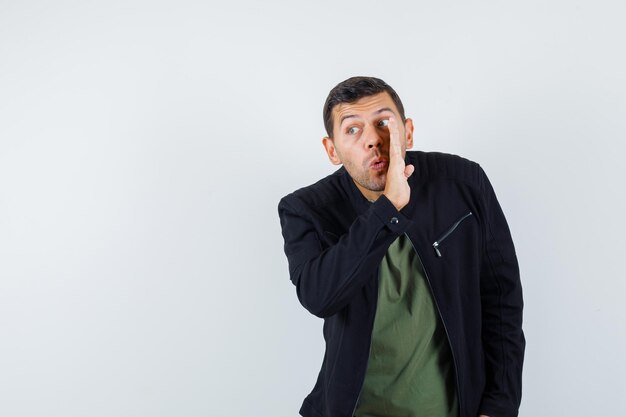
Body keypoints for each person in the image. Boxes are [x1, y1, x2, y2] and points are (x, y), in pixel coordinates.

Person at [277, 76, 525, 417]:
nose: (372, 141)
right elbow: (321, 296)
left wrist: (498, 406)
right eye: (352, 130)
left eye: (383, 123)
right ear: (331, 149)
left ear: (407, 131)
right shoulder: (306, 210)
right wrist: (388, 207)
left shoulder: (464, 183)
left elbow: (501, 302)